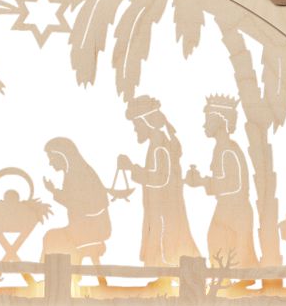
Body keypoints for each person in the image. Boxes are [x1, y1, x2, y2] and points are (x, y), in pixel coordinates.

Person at [117, 95, 199, 267]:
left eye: (136, 124)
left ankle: (167, 274)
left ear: (146, 122)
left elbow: (160, 178)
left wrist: (131, 168)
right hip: (160, 209)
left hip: (163, 211)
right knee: (164, 246)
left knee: (165, 246)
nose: (135, 129)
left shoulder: (159, 147)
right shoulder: (158, 145)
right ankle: (164, 276)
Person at [185, 94, 259, 269]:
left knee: (232, 250)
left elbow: (234, 185)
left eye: (208, 120)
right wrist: (202, 181)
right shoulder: (221, 148)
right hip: (227, 208)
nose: (204, 125)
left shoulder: (228, 150)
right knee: (220, 246)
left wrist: (203, 182)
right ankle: (225, 281)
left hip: (235, 210)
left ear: (220, 121)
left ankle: (234, 281)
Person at [41, 137, 111, 268]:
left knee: (51, 238)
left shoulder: (81, 174)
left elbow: (84, 205)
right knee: (51, 237)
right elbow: (73, 201)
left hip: (94, 227)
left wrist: (55, 192)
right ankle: (53, 275)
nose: (50, 163)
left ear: (61, 156)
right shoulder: (72, 173)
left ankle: (54, 275)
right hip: (84, 226)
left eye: (51, 158)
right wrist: (54, 191)